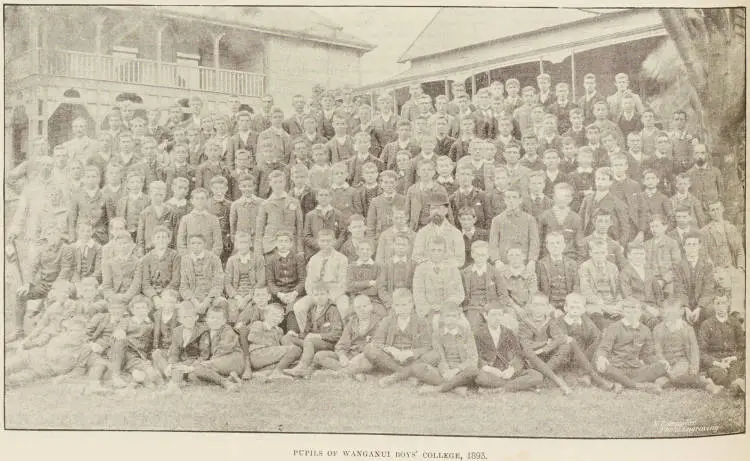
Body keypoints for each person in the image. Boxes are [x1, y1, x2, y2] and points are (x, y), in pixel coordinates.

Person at [363, 288, 438, 387]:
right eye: (397, 305)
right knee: (369, 348)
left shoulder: (421, 322)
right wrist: (391, 350)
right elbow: (377, 342)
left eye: (404, 305)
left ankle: (395, 377)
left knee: (435, 355)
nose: (401, 309)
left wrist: (410, 353)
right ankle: (406, 374)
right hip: (391, 360)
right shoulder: (387, 320)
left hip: (412, 360)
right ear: (393, 306)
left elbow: (427, 346)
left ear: (412, 304)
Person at [595, 298, 668, 393]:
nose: (632, 316)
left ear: (641, 312)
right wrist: (602, 358)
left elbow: (646, 355)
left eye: (635, 312)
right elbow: (604, 347)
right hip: (616, 366)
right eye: (628, 313)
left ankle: (621, 382)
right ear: (623, 313)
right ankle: (639, 386)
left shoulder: (645, 330)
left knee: (662, 366)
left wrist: (660, 362)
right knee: (604, 366)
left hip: (635, 368)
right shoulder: (614, 327)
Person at [653, 297, 723, 394]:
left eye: (672, 312)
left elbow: (694, 351)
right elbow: (658, 350)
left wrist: (694, 369)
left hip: (682, 361)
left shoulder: (687, 329)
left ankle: (705, 384)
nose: (668, 316)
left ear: (681, 312)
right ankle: (702, 380)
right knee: (660, 377)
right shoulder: (658, 329)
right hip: (666, 362)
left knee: (672, 376)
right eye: (666, 313)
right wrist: (663, 361)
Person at [473, 302, 544, 392]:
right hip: (491, 372)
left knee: (537, 376)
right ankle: (519, 385)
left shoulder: (508, 332)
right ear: (485, 315)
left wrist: (512, 369)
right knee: (480, 378)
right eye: (493, 315)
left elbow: (518, 354)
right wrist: (489, 369)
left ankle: (500, 388)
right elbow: (476, 355)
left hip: (507, 369)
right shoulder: (478, 334)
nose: (497, 318)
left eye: (500, 315)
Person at [549, 293, 614, 390]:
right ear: (565, 308)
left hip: (583, 357)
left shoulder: (585, 320)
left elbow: (596, 335)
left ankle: (584, 373)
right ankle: (594, 377)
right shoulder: (559, 321)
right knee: (571, 342)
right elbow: (560, 339)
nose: (575, 310)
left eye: (578, 308)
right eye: (572, 307)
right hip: (566, 358)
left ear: (583, 309)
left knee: (599, 339)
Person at [411, 304, 479, 396]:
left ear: (459, 317)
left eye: (454, 316)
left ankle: (437, 388)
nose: (451, 319)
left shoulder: (467, 333)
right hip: (443, 371)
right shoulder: (437, 334)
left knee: (473, 370)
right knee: (419, 368)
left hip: (461, 371)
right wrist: (445, 372)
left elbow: (473, 359)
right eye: (447, 316)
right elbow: (440, 357)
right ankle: (456, 388)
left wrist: (455, 370)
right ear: (442, 317)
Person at [283, 281, 344, 378]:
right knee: (287, 338)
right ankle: (289, 364)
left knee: (309, 341)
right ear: (313, 297)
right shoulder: (312, 310)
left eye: (322, 294)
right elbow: (307, 331)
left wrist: (318, 336)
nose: (319, 297)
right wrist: (297, 335)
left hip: (327, 343)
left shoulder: (332, 310)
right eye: (316, 295)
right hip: (311, 342)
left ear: (328, 295)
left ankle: (302, 368)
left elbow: (337, 334)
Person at [313, 294, 380, 380]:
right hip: (350, 355)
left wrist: (360, 357)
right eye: (358, 307)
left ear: (370, 306)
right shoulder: (352, 322)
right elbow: (340, 345)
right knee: (319, 356)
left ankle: (337, 374)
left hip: (365, 357)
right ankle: (352, 374)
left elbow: (376, 346)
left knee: (367, 362)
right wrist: (342, 356)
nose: (361, 310)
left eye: (364, 306)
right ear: (355, 309)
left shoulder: (378, 323)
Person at [516, 294, 573, 394]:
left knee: (566, 346)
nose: (539, 308)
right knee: (528, 352)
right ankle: (558, 381)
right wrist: (545, 342)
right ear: (531, 307)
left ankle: (542, 378)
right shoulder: (524, 322)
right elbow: (525, 343)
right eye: (536, 305)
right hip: (531, 359)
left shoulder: (550, 320)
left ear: (547, 307)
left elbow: (560, 337)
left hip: (547, 356)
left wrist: (544, 349)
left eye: (542, 305)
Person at [294, 229, 350, 328]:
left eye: (328, 241)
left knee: (344, 307)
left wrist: (330, 297)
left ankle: (345, 335)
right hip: (317, 293)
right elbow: (309, 282)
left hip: (336, 293)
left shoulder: (342, 259)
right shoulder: (313, 259)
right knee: (299, 307)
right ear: (318, 242)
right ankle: (305, 332)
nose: (325, 244)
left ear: (334, 241)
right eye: (322, 241)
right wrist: (315, 295)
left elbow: (343, 283)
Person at [109, 295, 162, 389]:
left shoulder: (151, 325)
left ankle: (133, 377)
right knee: (119, 338)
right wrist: (121, 331)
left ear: (148, 309)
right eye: (137, 308)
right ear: (132, 311)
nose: (141, 311)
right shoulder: (127, 321)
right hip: (124, 352)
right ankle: (116, 376)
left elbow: (152, 344)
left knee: (151, 375)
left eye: (143, 307)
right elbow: (120, 329)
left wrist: (150, 358)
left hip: (139, 355)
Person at [187, 303, 243, 391]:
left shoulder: (227, 330)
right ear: (207, 320)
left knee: (199, 368)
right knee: (192, 375)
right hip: (217, 363)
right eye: (212, 318)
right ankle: (229, 378)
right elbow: (204, 355)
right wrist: (196, 363)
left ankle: (226, 383)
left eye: (218, 318)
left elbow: (223, 348)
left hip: (233, 359)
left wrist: (205, 363)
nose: (215, 321)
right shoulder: (206, 334)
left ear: (224, 321)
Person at [698, 294, 746, 395]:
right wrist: (718, 363)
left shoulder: (735, 323)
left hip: (733, 360)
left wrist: (733, 358)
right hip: (716, 362)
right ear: (713, 305)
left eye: (723, 303)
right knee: (718, 373)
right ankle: (736, 385)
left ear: (728, 304)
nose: (720, 307)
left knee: (741, 367)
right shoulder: (706, 325)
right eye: (717, 303)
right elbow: (702, 352)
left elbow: (742, 348)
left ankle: (736, 384)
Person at [265, 230, 307, 332]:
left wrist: (294, 293)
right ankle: (273, 334)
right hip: (278, 294)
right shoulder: (271, 259)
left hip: (295, 293)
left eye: (286, 241)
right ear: (276, 243)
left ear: (291, 243)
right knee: (272, 310)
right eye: (280, 241)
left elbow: (302, 280)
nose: (283, 244)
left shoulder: (298, 258)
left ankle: (291, 335)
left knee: (293, 309)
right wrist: (279, 294)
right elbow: (270, 281)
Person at [254, 170, 304, 255]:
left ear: (285, 182)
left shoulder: (294, 202)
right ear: (270, 183)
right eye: (275, 182)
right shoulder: (265, 204)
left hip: (290, 246)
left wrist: (300, 249)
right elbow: (259, 230)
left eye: (280, 182)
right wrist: (258, 252)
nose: (278, 185)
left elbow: (299, 227)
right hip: (271, 246)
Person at [489, 186, 539, 269]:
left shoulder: (530, 219)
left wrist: (532, 260)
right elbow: (493, 243)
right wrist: (497, 260)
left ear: (520, 200)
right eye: (508, 198)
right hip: (504, 263)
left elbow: (534, 242)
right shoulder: (497, 220)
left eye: (514, 197)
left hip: (525, 263)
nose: (511, 200)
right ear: (504, 200)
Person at [412, 191, 465, 268]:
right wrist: (432, 265)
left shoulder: (456, 233)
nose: (435, 212)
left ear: (446, 210)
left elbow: (460, 260)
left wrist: (443, 266)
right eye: (433, 208)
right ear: (429, 211)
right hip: (428, 274)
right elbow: (416, 257)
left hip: (448, 275)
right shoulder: (422, 233)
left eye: (439, 208)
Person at [179, 234, 224, 321]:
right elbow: (183, 286)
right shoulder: (185, 260)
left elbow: (218, 284)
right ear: (189, 245)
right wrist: (194, 301)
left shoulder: (214, 258)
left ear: (205, 244)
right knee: (184, 307)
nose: (196, 246)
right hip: (193, 297)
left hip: (210, 296)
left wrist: (207, 301)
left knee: (222, 303)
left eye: (199, 243)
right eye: (193, 243)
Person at [580, 239, 622, 330]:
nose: (600, 256)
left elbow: (618, 290)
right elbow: (586, 291)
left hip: (612, 302)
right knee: (598, 318)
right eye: (596, 253)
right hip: (595, 303)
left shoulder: (612, 267)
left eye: (602, 252)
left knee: (624, 316)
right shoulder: (585, 267)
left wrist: (618, 304)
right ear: (590, 253)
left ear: (606, 252)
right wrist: (604, 307)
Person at [537, 232, 579, 312]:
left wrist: (571, 304)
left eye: (558, 243)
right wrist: (546, 304)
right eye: (552, 243)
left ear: (564, 245)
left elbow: (576, 286)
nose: (555, 246)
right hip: (549, 306)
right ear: (547, 246)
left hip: (569, 306)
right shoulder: (541, 264)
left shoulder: (572, 263)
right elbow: (538, 288)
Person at [140, 225, 180, 309]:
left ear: (169, 240)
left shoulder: (175, 256)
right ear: (153, 240)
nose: (161, 240)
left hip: (170, 291)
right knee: (146, 306)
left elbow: (176, 280)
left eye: (164, 237)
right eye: (158, 237)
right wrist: (154, 297)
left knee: (169, 304)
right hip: (152, 292)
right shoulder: (146, 258)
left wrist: (165, 294)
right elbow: (145, 283)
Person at [303, 188, 347, 260]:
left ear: (331, 198)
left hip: (334, 251)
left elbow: (342, 234)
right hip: (315, 251)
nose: (324, 197)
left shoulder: (338, 214)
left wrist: (334, 246)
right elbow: (306, 236)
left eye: (326, 195)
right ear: (316, 197)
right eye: (321, 195)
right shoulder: (310, 215)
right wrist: (319, 245)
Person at [700, 199, 745, 270]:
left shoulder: (731, 228)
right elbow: (704, 254)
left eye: (718, 209)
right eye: (713, 210)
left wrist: (740, 267)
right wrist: (712, 269)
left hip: (732, 268)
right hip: (714, 270)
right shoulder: (704, 231)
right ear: (709, 213)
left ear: (722, 209)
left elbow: (739, 250)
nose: (716, 212)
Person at [136, 180, 172, 255]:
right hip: (150, 249)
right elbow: (140, 233)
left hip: (167, 249)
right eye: (156, 193)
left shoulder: (170, 211)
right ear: (150, 194)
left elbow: (174, 231)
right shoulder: (145, 213)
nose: (158, 195)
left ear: (165, 194)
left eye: (161, 193)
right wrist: (140, 247)